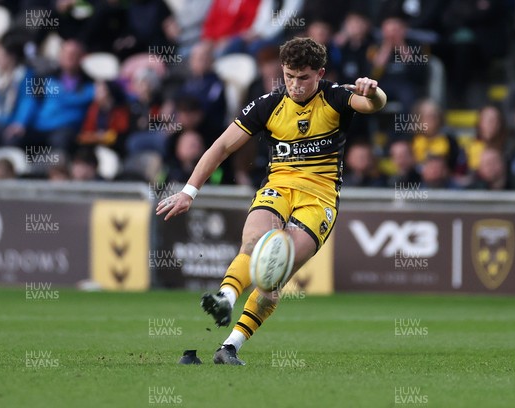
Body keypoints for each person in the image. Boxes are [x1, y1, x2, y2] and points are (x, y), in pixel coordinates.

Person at [156, 37, 386, 365]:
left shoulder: (335, 97)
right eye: (289, 76)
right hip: (278, 188)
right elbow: (221, 147)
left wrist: (372, 91)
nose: (295, 84)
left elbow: (374, 104)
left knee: (273, 275)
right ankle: (225, 297)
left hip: (319, 199)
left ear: (319, 73)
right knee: (253, 242)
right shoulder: (268, 104)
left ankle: (230, 345)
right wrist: (189, 191)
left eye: (304, 77)